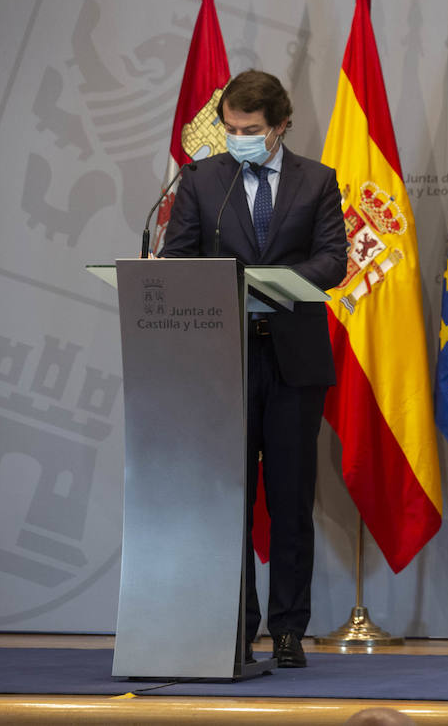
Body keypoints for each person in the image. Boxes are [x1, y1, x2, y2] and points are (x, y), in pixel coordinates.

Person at [161, 70, 347, 668]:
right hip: (224, 358)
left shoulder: (317, 180)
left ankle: (289, 630)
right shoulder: (200, 179)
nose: (238, 137)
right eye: (231, 128)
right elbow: (176, 259)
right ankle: (234, 628)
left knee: (291, 504)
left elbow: (334, 261)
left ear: (281, 126)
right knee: (229, 501)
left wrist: (278, 283)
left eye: (251, 130)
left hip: (294, 358)